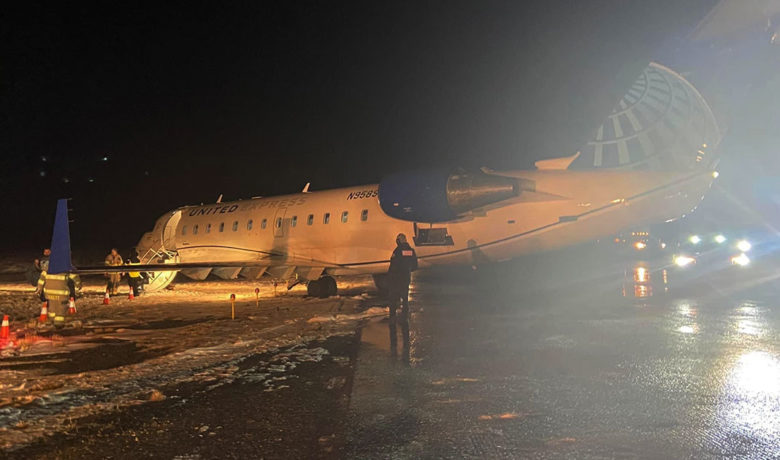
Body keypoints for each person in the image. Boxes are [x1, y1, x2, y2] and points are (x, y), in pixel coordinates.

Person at [387, 233, 418, 324]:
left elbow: (393, 264)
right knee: (405, 297)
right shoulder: (411, 251)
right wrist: (407, 270)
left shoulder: (397, 251)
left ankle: (392, 317)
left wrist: (390, 276)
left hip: (396, 277)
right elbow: (415, 265)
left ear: (399, 241)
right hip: (406, 276)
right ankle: (405, 315)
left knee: (393, 297)